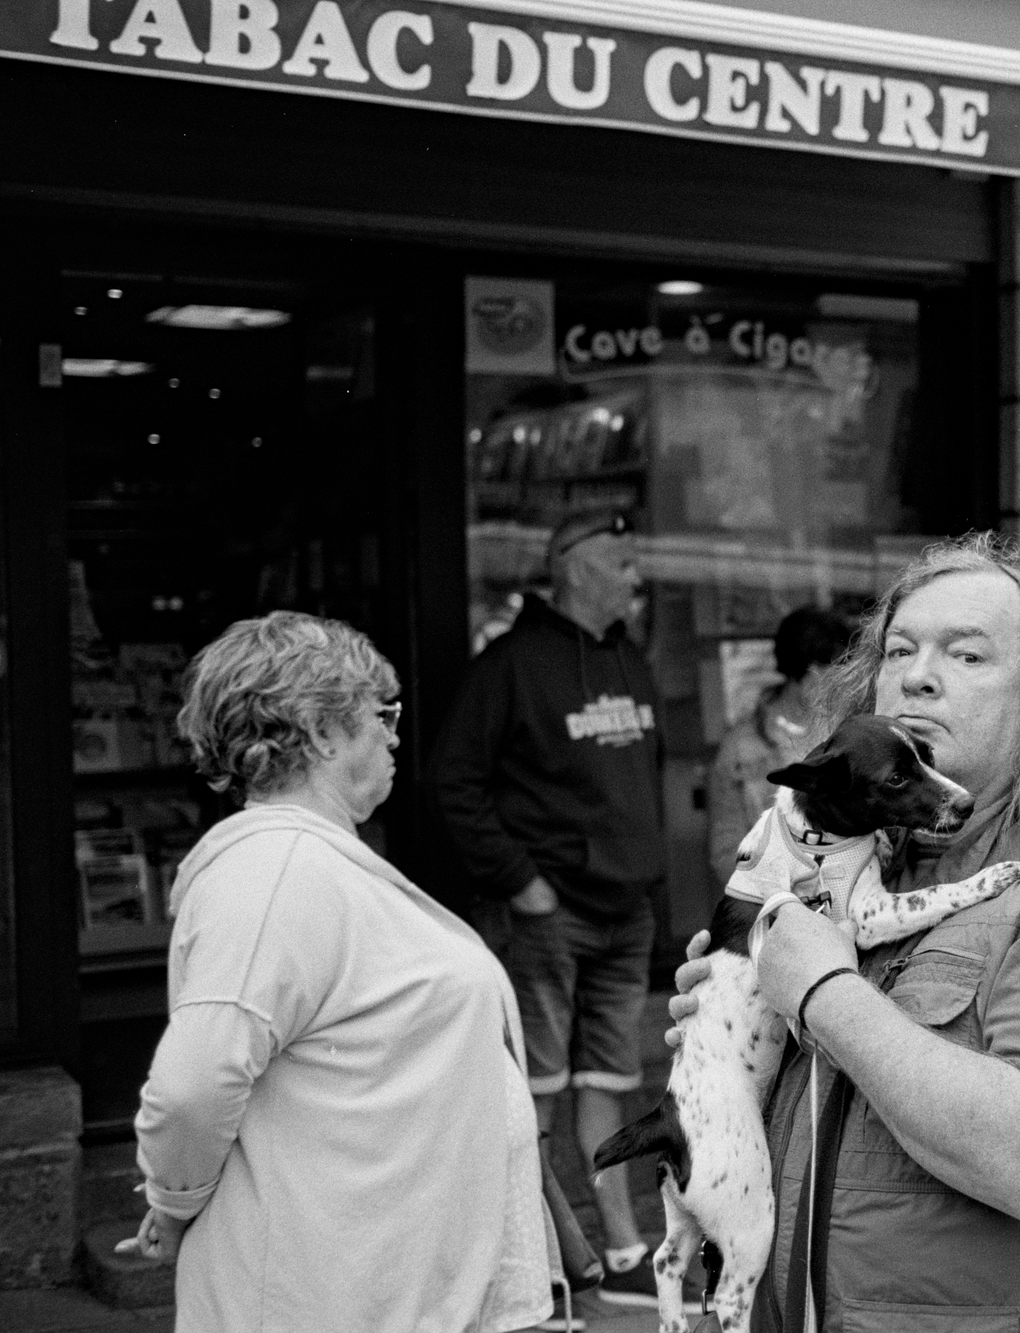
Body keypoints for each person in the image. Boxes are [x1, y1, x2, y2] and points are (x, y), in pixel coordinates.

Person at [669, 534, 1020, 1331]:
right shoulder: (880, 873)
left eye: (967, 654)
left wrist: (821, 988)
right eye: (899, 650)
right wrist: (733, 1030)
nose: (917, 674)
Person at [125, 612, 551, 1332]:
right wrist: (173, 1203)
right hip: (324, 1299)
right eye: (381, 714)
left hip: (380, 1290)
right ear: (322, 731)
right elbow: (193, 1085)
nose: (394, 735)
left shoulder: (309, 863)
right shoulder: (273, 874)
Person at [432, 508, 668, 1312]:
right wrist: (519, 881)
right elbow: (453, 782)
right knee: (529, 1091)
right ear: (574, 568)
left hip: (624, 912)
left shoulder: (629, 659)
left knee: (609, 1081)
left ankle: (624, 1252)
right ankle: (537, 1268)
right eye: (622, 562)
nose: (637, 576)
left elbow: (644, 782)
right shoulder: (508, 666)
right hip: (545, 914)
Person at [707, 604, 855, 879]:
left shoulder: (852, 735)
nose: (845, 683)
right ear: (811, 675)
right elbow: (727, 854)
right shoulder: (740, 747)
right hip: (775, 897)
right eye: (837, 671)